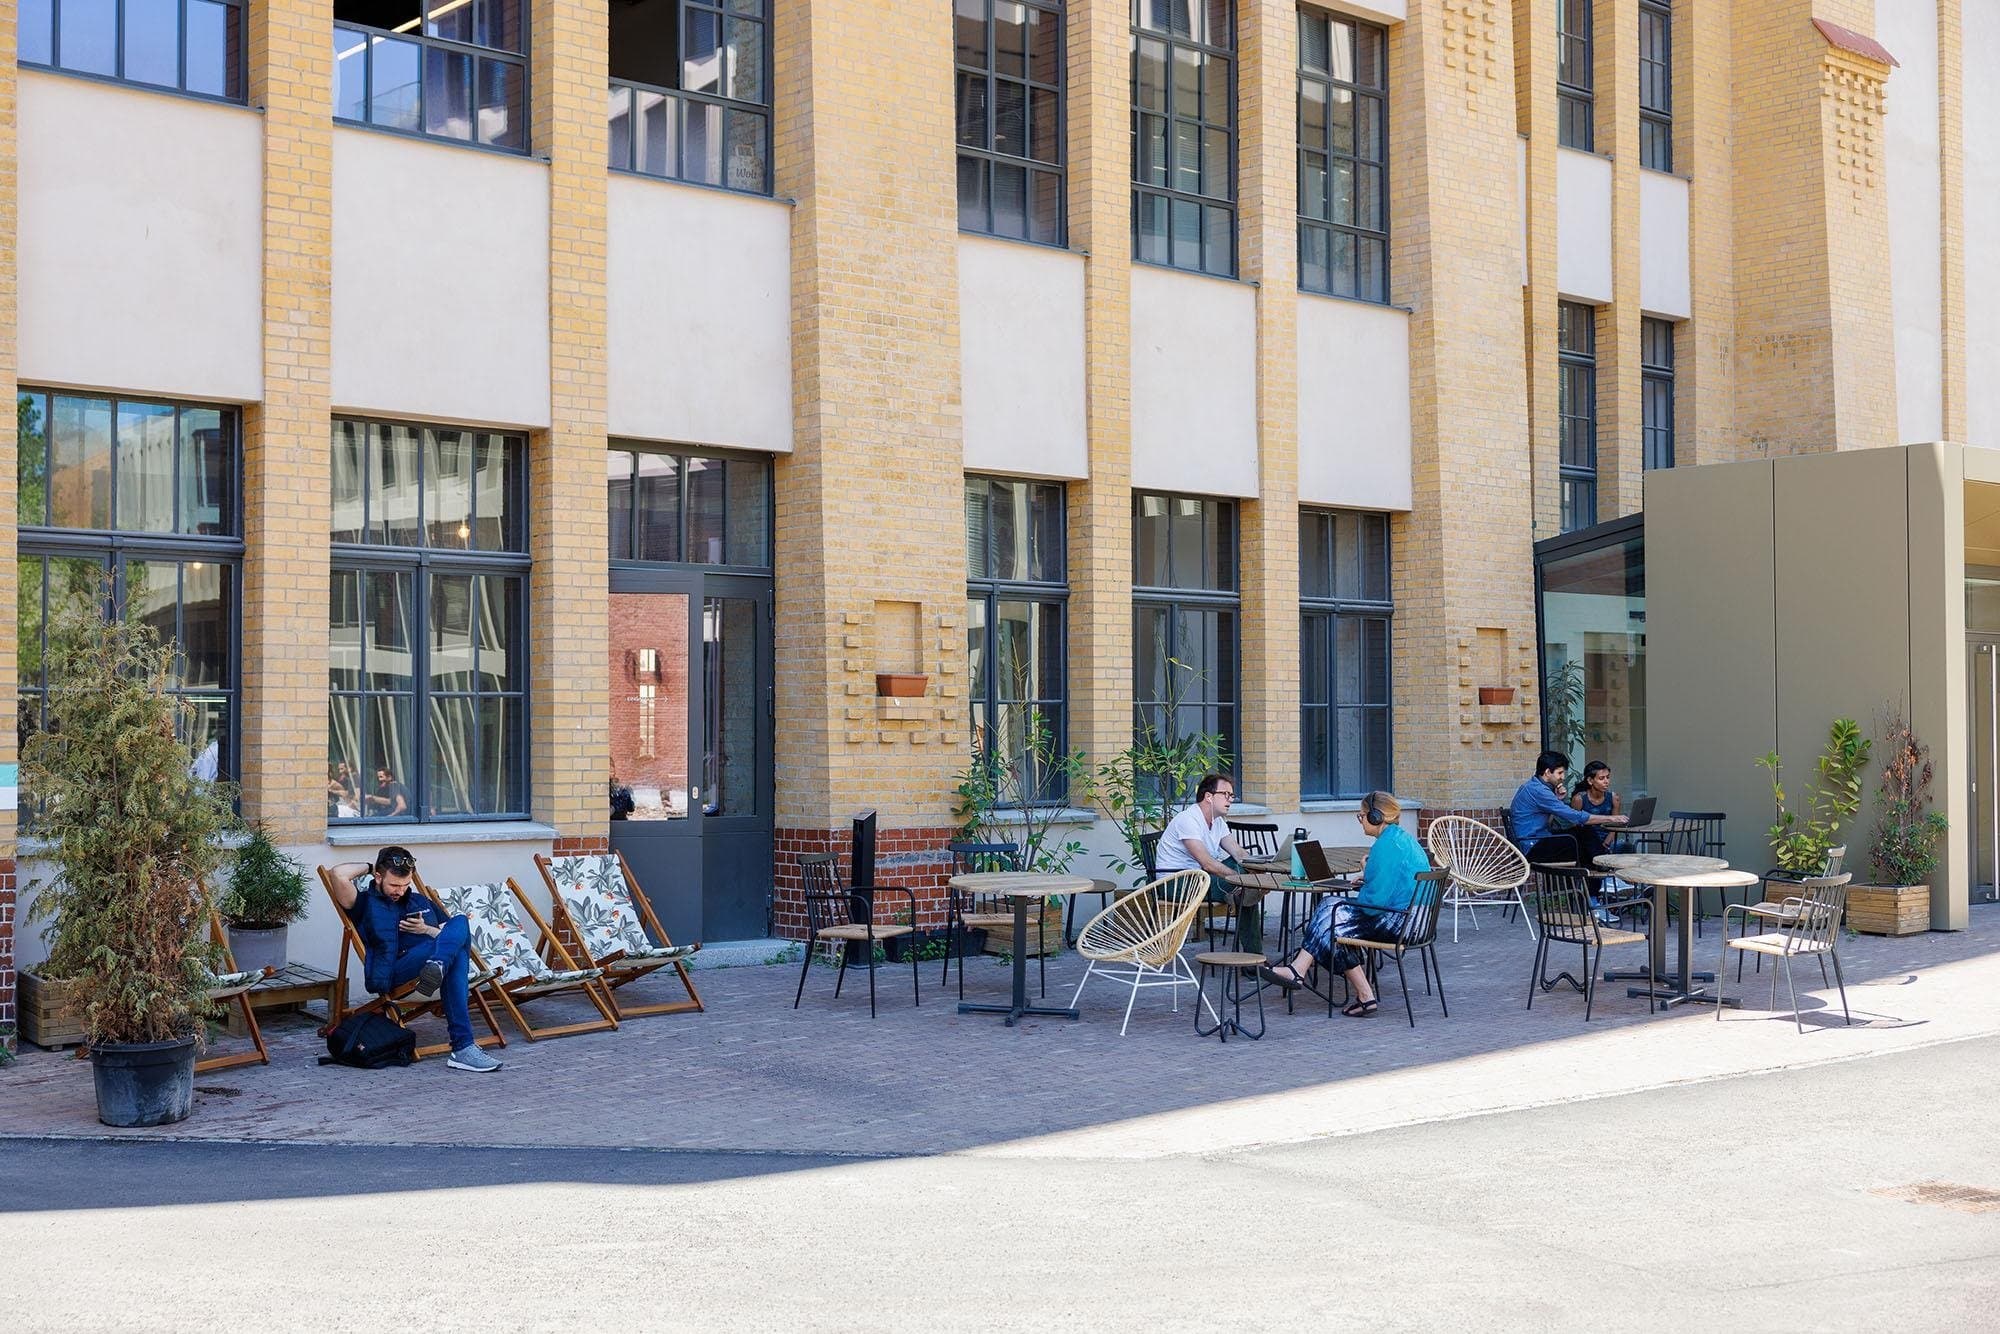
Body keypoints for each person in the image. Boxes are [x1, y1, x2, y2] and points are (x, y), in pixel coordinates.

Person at [326, 847, 502, 1072]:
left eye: (405, 885)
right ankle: (463, 1047)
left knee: (459, 922)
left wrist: (426, 930)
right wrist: (372, 867)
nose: (400, 891)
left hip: (431, 965)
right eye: (394, 885)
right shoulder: (364, 903)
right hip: (395, 970)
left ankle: (437, 965)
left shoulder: (421, 901)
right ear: (379, 877)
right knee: (454, 953)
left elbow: (455, 936)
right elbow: (338, 874)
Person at [1258, 791, 1425, 1018]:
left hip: (1402, 922)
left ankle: (1298, 970)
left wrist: (1367, 875)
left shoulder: (1386, 846)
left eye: (1361, 816)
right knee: (1333, 921)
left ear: (1376, 817)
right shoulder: (1402, 839)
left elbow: (1371, 904)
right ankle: (1361, 995)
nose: (1360, 821)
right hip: (1418, 920)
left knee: (1329, 911)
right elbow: (1392, 884)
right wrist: (1369, 879)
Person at [1154, 773, 1260, 951]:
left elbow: (1237, 852)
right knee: (1246, 890)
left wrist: (1257, 867)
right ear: (1208, 797)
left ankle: (1253, 958)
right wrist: (1241, 878)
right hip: (1176, 883)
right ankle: (1255, 958)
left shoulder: (1218, 822)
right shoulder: (1188, 820)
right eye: (1225, 794)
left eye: (1231, 795)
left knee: (1245, 888)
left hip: (1201, 879)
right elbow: (1207, 863)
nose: (1230, 800)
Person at [1509, 750, 1624, 868]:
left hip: (1535, 841)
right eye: (1560, 773)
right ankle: (1600, 870)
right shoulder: (1539, 791)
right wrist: (1612, 818)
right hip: (1532, 847)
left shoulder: (1534, 786)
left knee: (1582, 834)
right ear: (1548, 772)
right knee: (1580, 840)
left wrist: (1557, 799)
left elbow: (1547, 820)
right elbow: (1574, 816)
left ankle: (1595, 873)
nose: (1563, 777)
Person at [1568, 760, 1629, 861]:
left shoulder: (1614, 797)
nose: (1606, 781)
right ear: (1590, 781)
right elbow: (1576, 828)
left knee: (1626, 847)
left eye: (1608, 777)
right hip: (1587, 843)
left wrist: (1606, 844)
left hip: (1608, 840)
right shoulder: (1579, 799)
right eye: (1601, 778)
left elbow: (1616, 826)